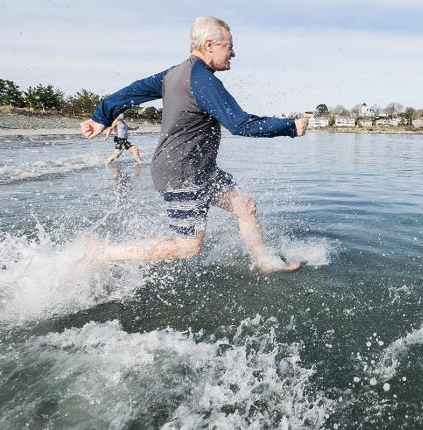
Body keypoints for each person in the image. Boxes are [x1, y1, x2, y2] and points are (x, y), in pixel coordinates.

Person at [80, 16, 308, 273]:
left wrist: (101, 116)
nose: (233, 52)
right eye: (229, 46)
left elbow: (132, 91)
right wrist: (290, 127)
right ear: (210, 44)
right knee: (187, 246)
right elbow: (240, 124)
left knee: (244, 205)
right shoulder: (201, 79)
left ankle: (265, 262)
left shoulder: (176, 73)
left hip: (199, 168)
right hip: (182, 172)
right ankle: (103, 253)